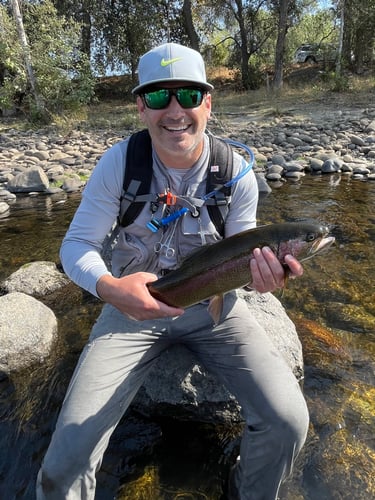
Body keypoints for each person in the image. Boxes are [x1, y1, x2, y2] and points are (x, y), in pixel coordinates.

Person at [36, 42, 309, 500]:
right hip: (130, 310)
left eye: (187, 95)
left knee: (288, 422)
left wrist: (264, 280)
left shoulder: (235, 172)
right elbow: (77, 245)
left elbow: (244, 250)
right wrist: (110, 288)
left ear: (207, 102)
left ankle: (246, 490)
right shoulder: (119, 165)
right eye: (160, 97)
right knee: (63, 464)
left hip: (215, 312)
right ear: (142, 106)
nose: (174, 110)